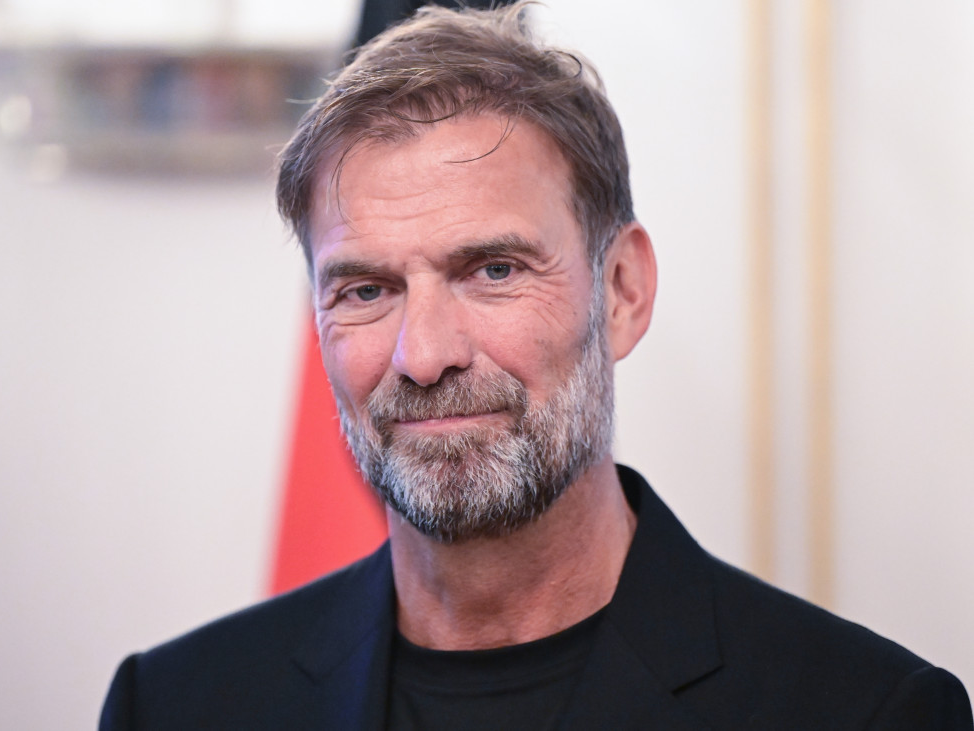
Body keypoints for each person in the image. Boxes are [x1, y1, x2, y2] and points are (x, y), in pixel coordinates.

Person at [100, 6, 972, 729]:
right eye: (366, 289)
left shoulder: (865, 712)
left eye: (494, 271)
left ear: (623, 289)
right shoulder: (176, 705)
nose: (425, 354)